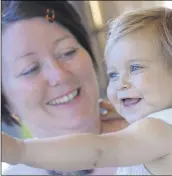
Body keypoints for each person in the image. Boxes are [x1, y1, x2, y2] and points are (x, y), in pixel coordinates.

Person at [3, 3, 172, 175]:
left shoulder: (157, 131)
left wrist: (20, 149)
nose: (120, 85)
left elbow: (97, 150)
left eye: (136, 67)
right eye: (114, 74)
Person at [1, 1, 127, 175]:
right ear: (6, 101)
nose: (58, 75)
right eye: (30, 69)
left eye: (67, 52)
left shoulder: (160, 134)